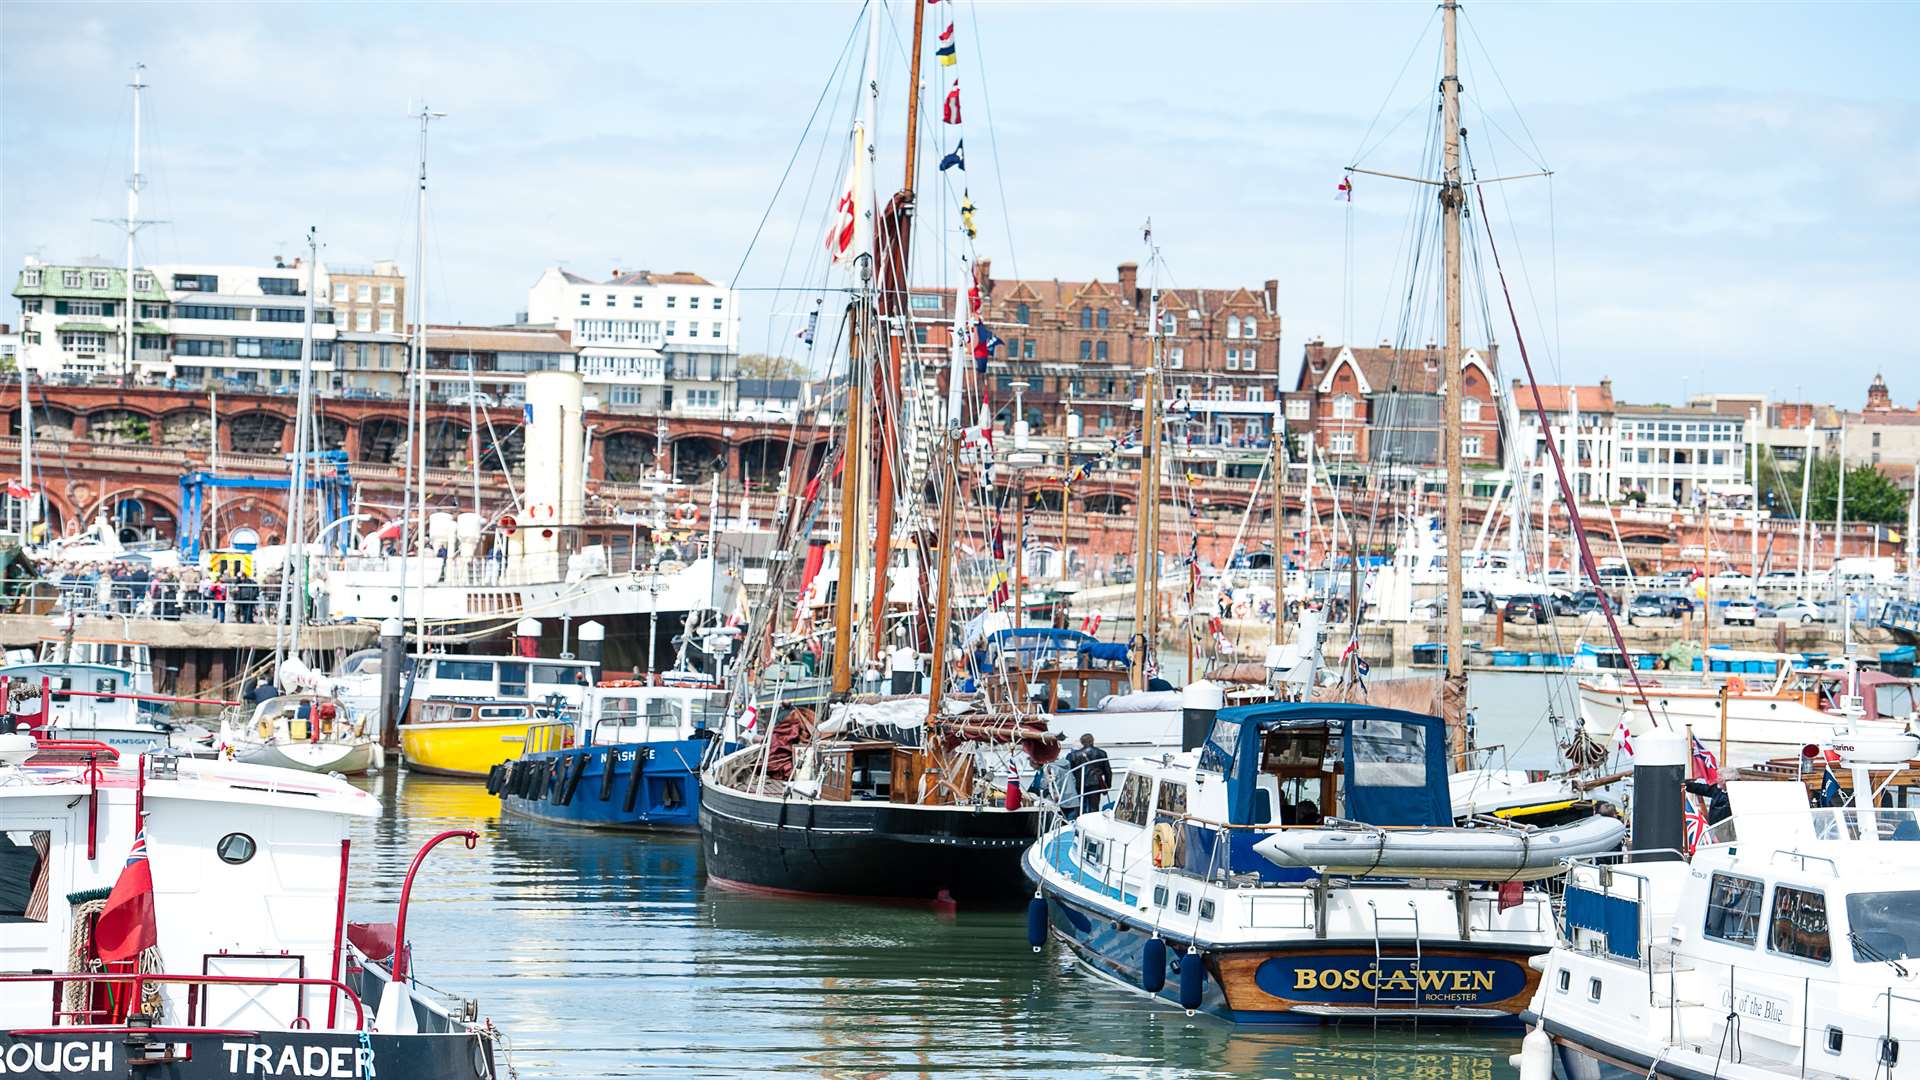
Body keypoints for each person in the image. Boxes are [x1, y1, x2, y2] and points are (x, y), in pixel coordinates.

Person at [1065, 734, 1111, 818]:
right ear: (1093, 741)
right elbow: (1108, 771)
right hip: (1095, 784)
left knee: (1080, 807)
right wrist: (1108, 785)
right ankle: (1093, 825)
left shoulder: (1074, 755)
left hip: (1080, 784)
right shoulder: (1102, 753)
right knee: (1094, 808)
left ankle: (1080, 823)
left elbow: (1069, 772)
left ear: (1082, 742)